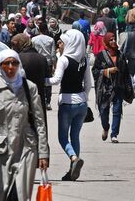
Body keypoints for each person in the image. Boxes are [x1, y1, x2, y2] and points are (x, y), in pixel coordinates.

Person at [0, 50, 49, 200]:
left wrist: (43, 153)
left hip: (26, 149)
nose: (10, 67)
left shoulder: (29, 88)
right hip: (0, 151)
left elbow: (40, 122)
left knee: (21, 196)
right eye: (6, 63)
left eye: (14, 63)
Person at [45, 30, 93, 181]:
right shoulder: (84, 59)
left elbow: (56, 80)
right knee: (75, 136)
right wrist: (84, 98)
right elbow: (88, 83)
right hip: (82, 104)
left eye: (62, 41)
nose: (59, 44)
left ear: (70, 43)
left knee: (62, 138)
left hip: (67, 103)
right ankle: (72, 170)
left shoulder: (64, 59)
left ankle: (73, 158)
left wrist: (41, 80)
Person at [93, 32, 132, 143]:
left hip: (118, 87)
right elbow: (95, 71)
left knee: (117, 111)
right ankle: (106, 127)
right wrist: (107, 71)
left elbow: (126, 72)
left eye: (114, 39)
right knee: (104, 111)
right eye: (111, 40)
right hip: (105, 88)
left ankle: (114, 134)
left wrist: (128, 86)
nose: (113, 41)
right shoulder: (101, 56)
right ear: (106, 42)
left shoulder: (121, 55)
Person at [11, 34, 49, 115]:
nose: (13, 48)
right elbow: (47, 80)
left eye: (14, 45)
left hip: (23, 100)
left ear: (20, 43)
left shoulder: (18, 58)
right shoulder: (42, 58)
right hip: (39, 98)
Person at [32, 23, 56, 110]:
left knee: (37, 81)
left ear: (38, 30)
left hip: (37, 62)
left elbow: (32, 51)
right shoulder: (51, 40)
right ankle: (48, 102)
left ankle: (37, 101)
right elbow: (53, 54)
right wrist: (54, 66)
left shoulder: (33, 39)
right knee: (48, 82)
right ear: (46, 30)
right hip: (47, 63)